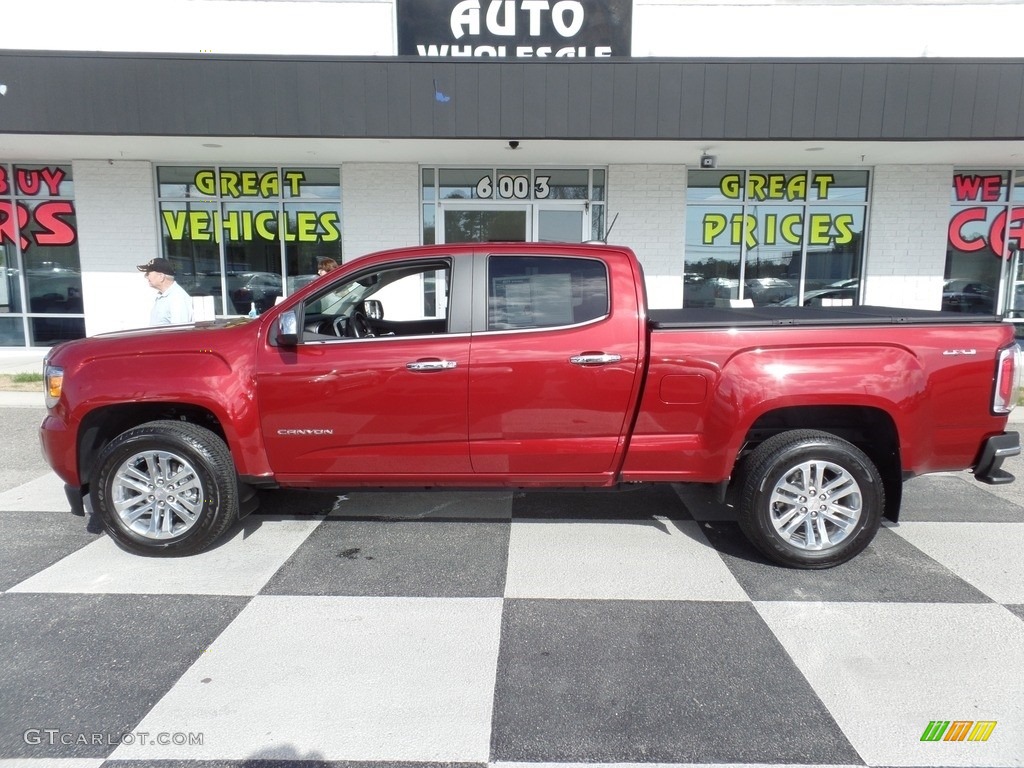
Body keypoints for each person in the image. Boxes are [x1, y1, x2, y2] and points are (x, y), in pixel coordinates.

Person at [137, 257, 193, 326]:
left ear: (161, 276)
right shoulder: (163, 296)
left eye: (148, 274)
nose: (146, 277)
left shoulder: (177, 298)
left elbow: (179, 332)